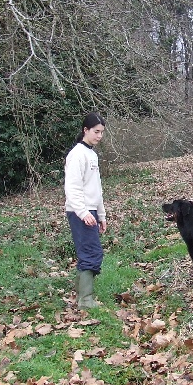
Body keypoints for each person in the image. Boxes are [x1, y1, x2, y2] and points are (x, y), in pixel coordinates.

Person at [64, 112, 107, 309]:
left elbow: (95, 188)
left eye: (102, 132)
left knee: (92, 252)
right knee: (91, 252)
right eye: (96, 132)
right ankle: (85, 301)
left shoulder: (92, 154)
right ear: (85, 130)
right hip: (79, 212)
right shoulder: (77, 155)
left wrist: (101, 215)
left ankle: (83, 297)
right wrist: (83, 213)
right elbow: (72, 189)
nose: (99, 136)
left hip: (91, 211)